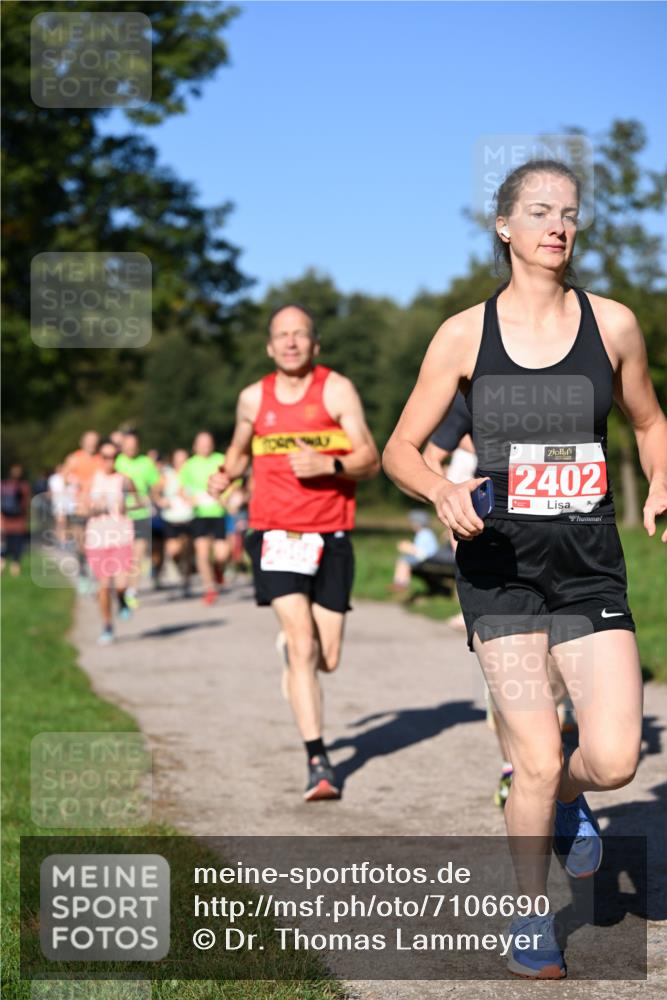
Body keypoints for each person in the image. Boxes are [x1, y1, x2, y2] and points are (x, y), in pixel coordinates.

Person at [383, 158, 667, 978]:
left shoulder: (610, 325)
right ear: (502, 227)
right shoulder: (462, 335)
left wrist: (657, 482)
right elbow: (401, 450)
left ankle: (574, 802)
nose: (558, 224)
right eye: (540, 210)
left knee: (612, 759)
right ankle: (528, 915)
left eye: (570, 212)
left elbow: (648, 420)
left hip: (586, 569)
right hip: (499, 570)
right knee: (534, 758)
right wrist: (440, 489)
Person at [208, 304, 380, 801]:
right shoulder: (251, 399)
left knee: (327, 657)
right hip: (274, 534)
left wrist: (328, 463)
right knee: (304, 646)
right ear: (269, 346)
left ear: (314, 344)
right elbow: (239, 451)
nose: (290, 342)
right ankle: (318, 761)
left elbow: (368, 458)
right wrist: (227, 472)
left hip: (331, 535)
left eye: (299, 334)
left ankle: (293, 650)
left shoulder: (335, 389)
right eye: (281, 335)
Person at [84, 440, 136, 644]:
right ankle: (107, 625)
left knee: (121, 584)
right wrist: (93, 507)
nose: (109, 461)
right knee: (104, 586)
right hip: (97, 539)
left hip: (121, 535)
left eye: (113, 457)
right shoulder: (92, 481)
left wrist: (127, 505)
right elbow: (80, 508)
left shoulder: (124, 480)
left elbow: (139, 500)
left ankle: (122, 600)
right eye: (105, 457)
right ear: (100, 458)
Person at [180, 432, 229, 605]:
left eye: (208, 443)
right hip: (199, 513)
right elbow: (182, 488)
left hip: (218, 512)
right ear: (195, 445)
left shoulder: (221, 459)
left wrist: (227, 496)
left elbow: (234, 482)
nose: (205, 446)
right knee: (202, 553)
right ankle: (209, 588)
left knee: (222, 554)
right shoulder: (189, 465)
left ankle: (218, 570)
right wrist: (188, 498)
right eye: (202, 443)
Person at [114, 431, 159, 608]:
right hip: (120, 516)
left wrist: (153, 498)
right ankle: (120, 586)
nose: (131, 448)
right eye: (128, 444)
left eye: (134, 445)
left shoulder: (146, 463)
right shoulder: (116, 462)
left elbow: (155, 484)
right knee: (121, 555)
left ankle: (131, 591)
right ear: (122, 445)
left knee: (137, 555)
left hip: (141, 514)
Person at [63, 430, 104, 592]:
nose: (92, 443)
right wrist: (76, 480)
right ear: (82, 442)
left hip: (97, 509)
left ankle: (96, 575)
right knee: (81, 544)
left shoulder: (102, 459)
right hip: (79, 508)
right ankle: (82, 573)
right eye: (89, 440)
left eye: (95, 440)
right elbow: (65, 477)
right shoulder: (74, 458)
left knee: (96, 543)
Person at [156, 448, 194, 595]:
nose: (181, 463)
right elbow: (155, 491)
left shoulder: (191, 473)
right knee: (174, 550)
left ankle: (186, 581)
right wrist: (161, 500)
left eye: (184, 459)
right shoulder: (167, 475)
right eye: (178, 459)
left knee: (188, 550)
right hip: (171, 517)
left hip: (189, 516)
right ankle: (177, 570)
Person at [389, 509, 439, 592]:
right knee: (403, 559)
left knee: (404, 561)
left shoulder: (425, 533)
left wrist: (408, 548)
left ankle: (402, 583)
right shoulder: (424, 533)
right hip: (426, 557)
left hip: (428, 558)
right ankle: (400, 582)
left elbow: (422, 552)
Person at [1, 464, 31, 576]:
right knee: (17, 547)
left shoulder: (3, 485)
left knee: (4, 545)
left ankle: (2, 565)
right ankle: (15, 569)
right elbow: (26, 504)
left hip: (5, 521)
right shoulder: (24, 486)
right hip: (19, 522)